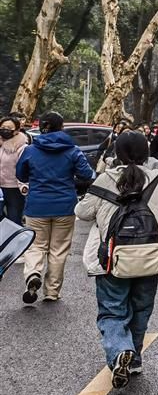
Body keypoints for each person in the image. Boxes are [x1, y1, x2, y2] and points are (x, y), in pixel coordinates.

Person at [75, 132, 158, 387]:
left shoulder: (105, 179)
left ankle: (120, 351)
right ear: (146, 153)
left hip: (112, 259)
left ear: (117, 153)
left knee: (112, 311)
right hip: (150, 258)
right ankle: (135, 359)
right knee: (141, 310)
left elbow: (82, 212)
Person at [16, 112, 94, 304]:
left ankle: (33, 273)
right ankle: (52, 291)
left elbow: (21, 175)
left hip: (36, 205)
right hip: (65, 206)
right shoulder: (73, 150)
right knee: (58, 249)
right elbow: (87, 174)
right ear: (62, 127)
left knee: (35, 245)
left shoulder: (30, 150)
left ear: (41, 127)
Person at [0, 114, 30, 224]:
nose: (5, 130)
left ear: (16, 131)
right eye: (3, 128)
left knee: (14, 220)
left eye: (8, 128)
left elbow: (24, 169)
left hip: (14, 189)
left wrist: (24, 186)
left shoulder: (22, 147)